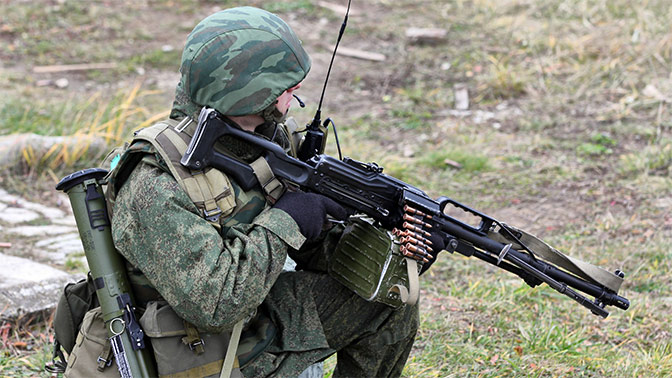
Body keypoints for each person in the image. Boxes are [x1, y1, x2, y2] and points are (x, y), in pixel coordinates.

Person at [100, 6, 419, 378]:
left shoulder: (265, 140)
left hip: (257, 307)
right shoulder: (153, 184)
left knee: (390, 301)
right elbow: (216, 306)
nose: (296, 89)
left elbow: (309, 244)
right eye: (284, 83)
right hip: (189, 349)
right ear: (245, 94)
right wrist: (289, 219)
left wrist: (374, 246)